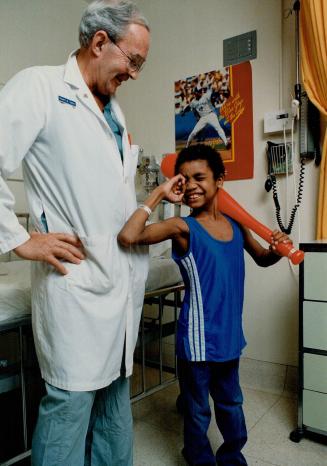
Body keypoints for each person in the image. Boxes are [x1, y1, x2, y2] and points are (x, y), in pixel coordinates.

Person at [0, 1, 150, 465]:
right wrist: (19, 239)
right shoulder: (39, 86)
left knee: (113, 401)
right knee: (71, 405)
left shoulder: (116, 113)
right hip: (77, 283)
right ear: (99, 42)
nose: (135, 74)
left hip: (121, 283)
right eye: (134, 60)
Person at [118, 144, 291, 466]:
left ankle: (231, 454)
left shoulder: (236, 225)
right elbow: (128, 237)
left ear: (219, 181)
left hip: (229, 335)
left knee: (231, 403)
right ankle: (197, 456)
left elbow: (263, 259)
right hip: (197, 339)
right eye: (183, 179)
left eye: (200, 177)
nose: (191, 185)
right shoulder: (182, 227)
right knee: (198, 409)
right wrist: (158, 194)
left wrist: (278, 249)